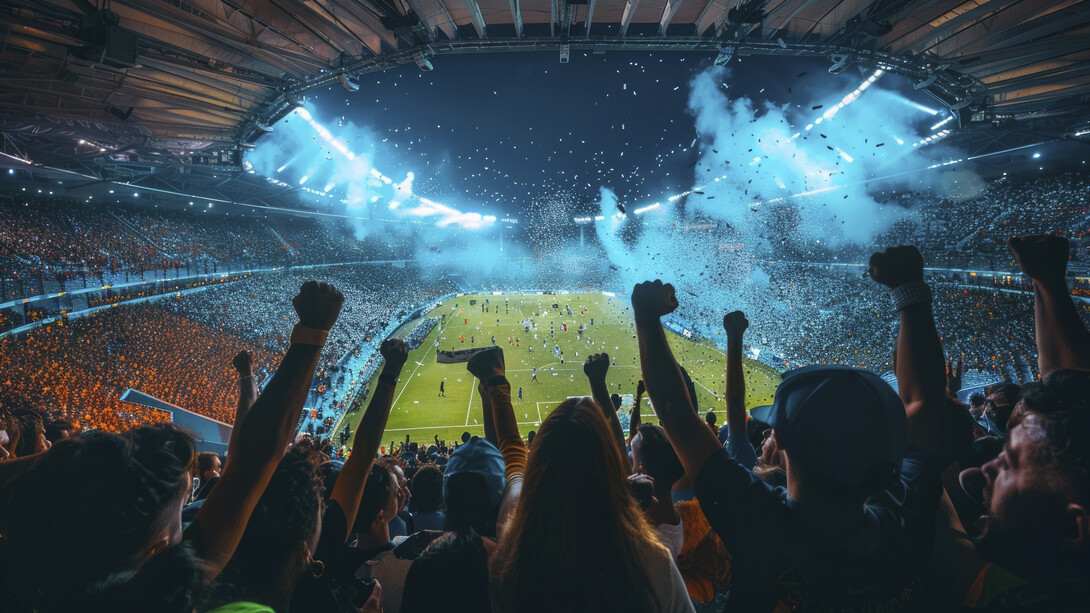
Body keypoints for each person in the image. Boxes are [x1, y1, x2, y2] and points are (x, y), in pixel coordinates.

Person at [631, 263, 951, 611]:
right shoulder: (908, 509)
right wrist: (909, 289)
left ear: (782, 442)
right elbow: (923, 403)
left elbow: (676, 414)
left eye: (773, 429)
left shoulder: (761, 520)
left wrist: (647, 315)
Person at [467, 346, 693, 612]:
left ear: (540, 470)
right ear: (609, 468)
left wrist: (495, 386)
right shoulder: (652, 563)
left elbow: (513, 457)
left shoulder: (511, 555)